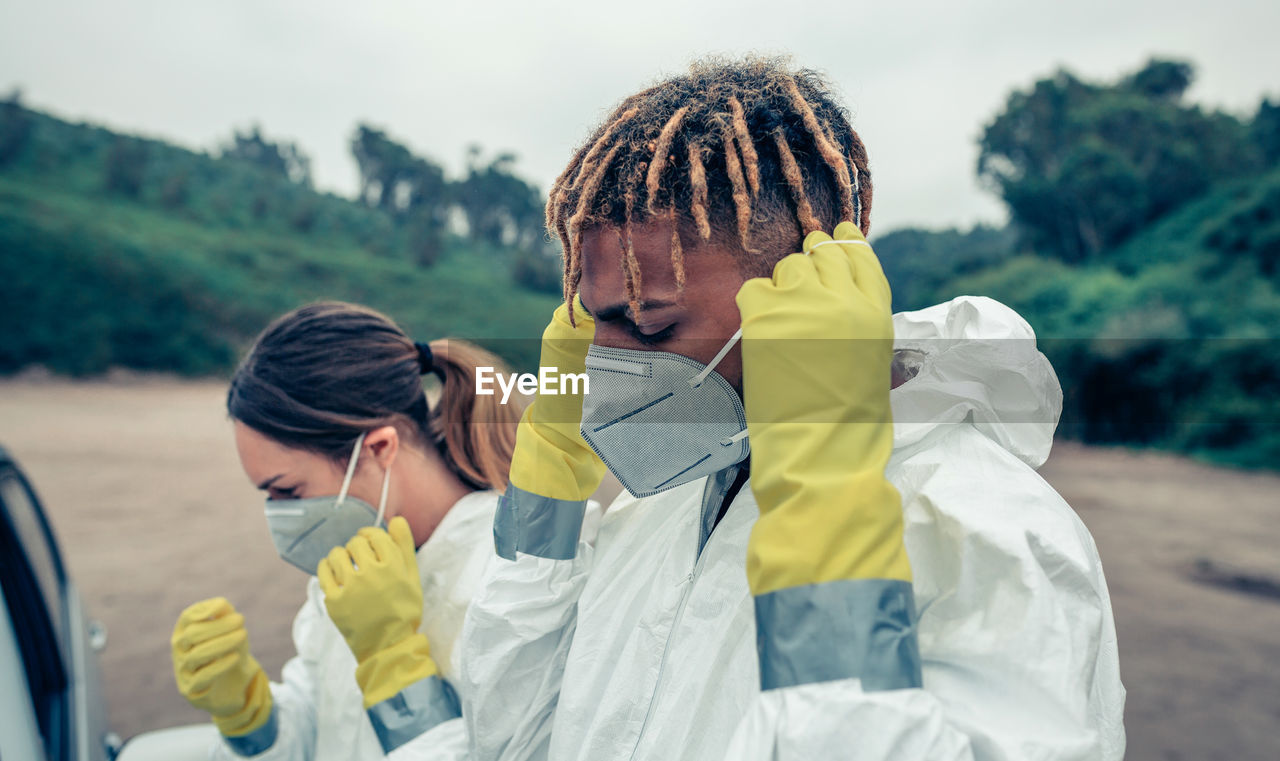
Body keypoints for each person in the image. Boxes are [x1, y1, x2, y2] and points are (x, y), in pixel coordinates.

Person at [326, 56, 1127, 760]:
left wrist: (827, 527)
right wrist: (545, 500)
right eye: (592, 320)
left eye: (649, 323)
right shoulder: (667, 504)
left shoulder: (990, 531)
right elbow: (516, 738)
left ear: (799, 294)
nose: (605, 365)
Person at [168, 301, 519, 760]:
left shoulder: (515, 582)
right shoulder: (356, 564)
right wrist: (251, 721)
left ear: (377, 448)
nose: (279, 515)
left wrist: (395, 670)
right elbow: (322, 720)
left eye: (288, 490)